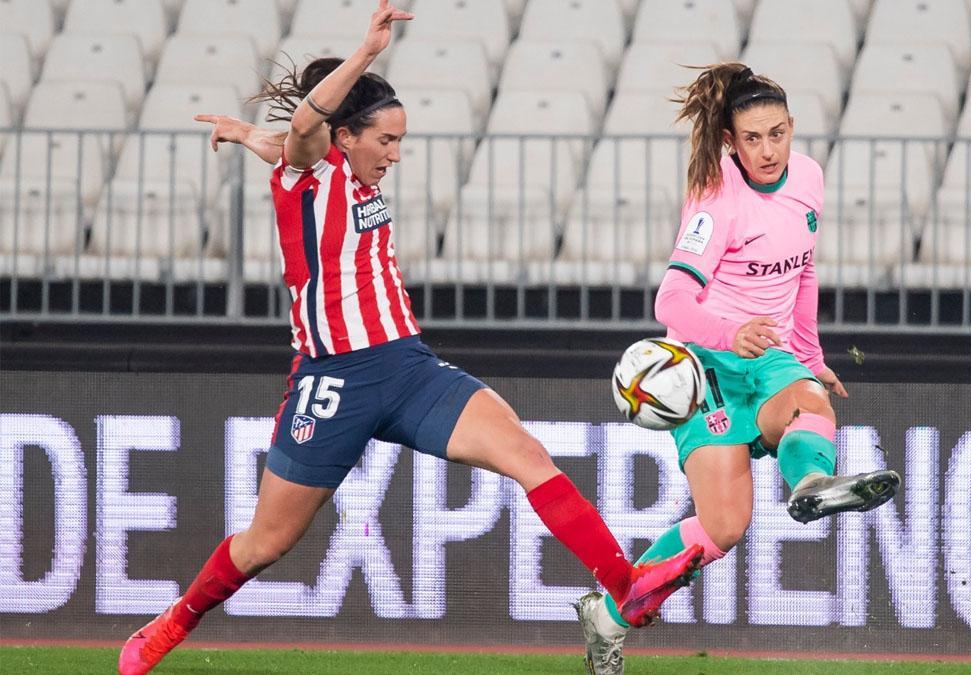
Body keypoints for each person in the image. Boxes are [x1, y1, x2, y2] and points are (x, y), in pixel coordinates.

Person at [116, 4, 701, 673]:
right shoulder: (305, 172)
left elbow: (289, 134)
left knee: (528, 454)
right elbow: (302, 130)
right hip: (333, 381)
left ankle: (625, 589)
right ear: (345, 136)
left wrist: (245, 131)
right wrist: (365, 53)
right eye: (385, 140)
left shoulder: (335, 168)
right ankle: (175, 620)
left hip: (408, 368)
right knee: (265, 543)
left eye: (399, 140)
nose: (395, 153)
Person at [572, 63, 902, 674]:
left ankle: (809, 487)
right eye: (753, 138)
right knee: (722, 529)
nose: (769, 149)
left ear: (793, 129)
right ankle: (610, 619)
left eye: (778, 133)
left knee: (811, 402)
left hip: (770, 356)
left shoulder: (808, 179)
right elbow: (669, 302)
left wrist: (811, 355)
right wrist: (731, 332)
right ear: (731, 139)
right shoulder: (715, 198)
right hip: (708, 369)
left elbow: (803, 270)